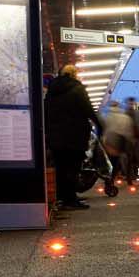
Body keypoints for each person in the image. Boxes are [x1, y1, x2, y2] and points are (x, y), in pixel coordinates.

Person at [43, 67, 99, 210]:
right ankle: (70, 200)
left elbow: (45, 112)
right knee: (73, 168)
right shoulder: (77, 89)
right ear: (74, 75)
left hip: (55, 138)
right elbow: (88, 110)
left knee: (61, 168)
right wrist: (99, 125)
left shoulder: (51, 92)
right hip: (75, 136)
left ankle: (64, 197)